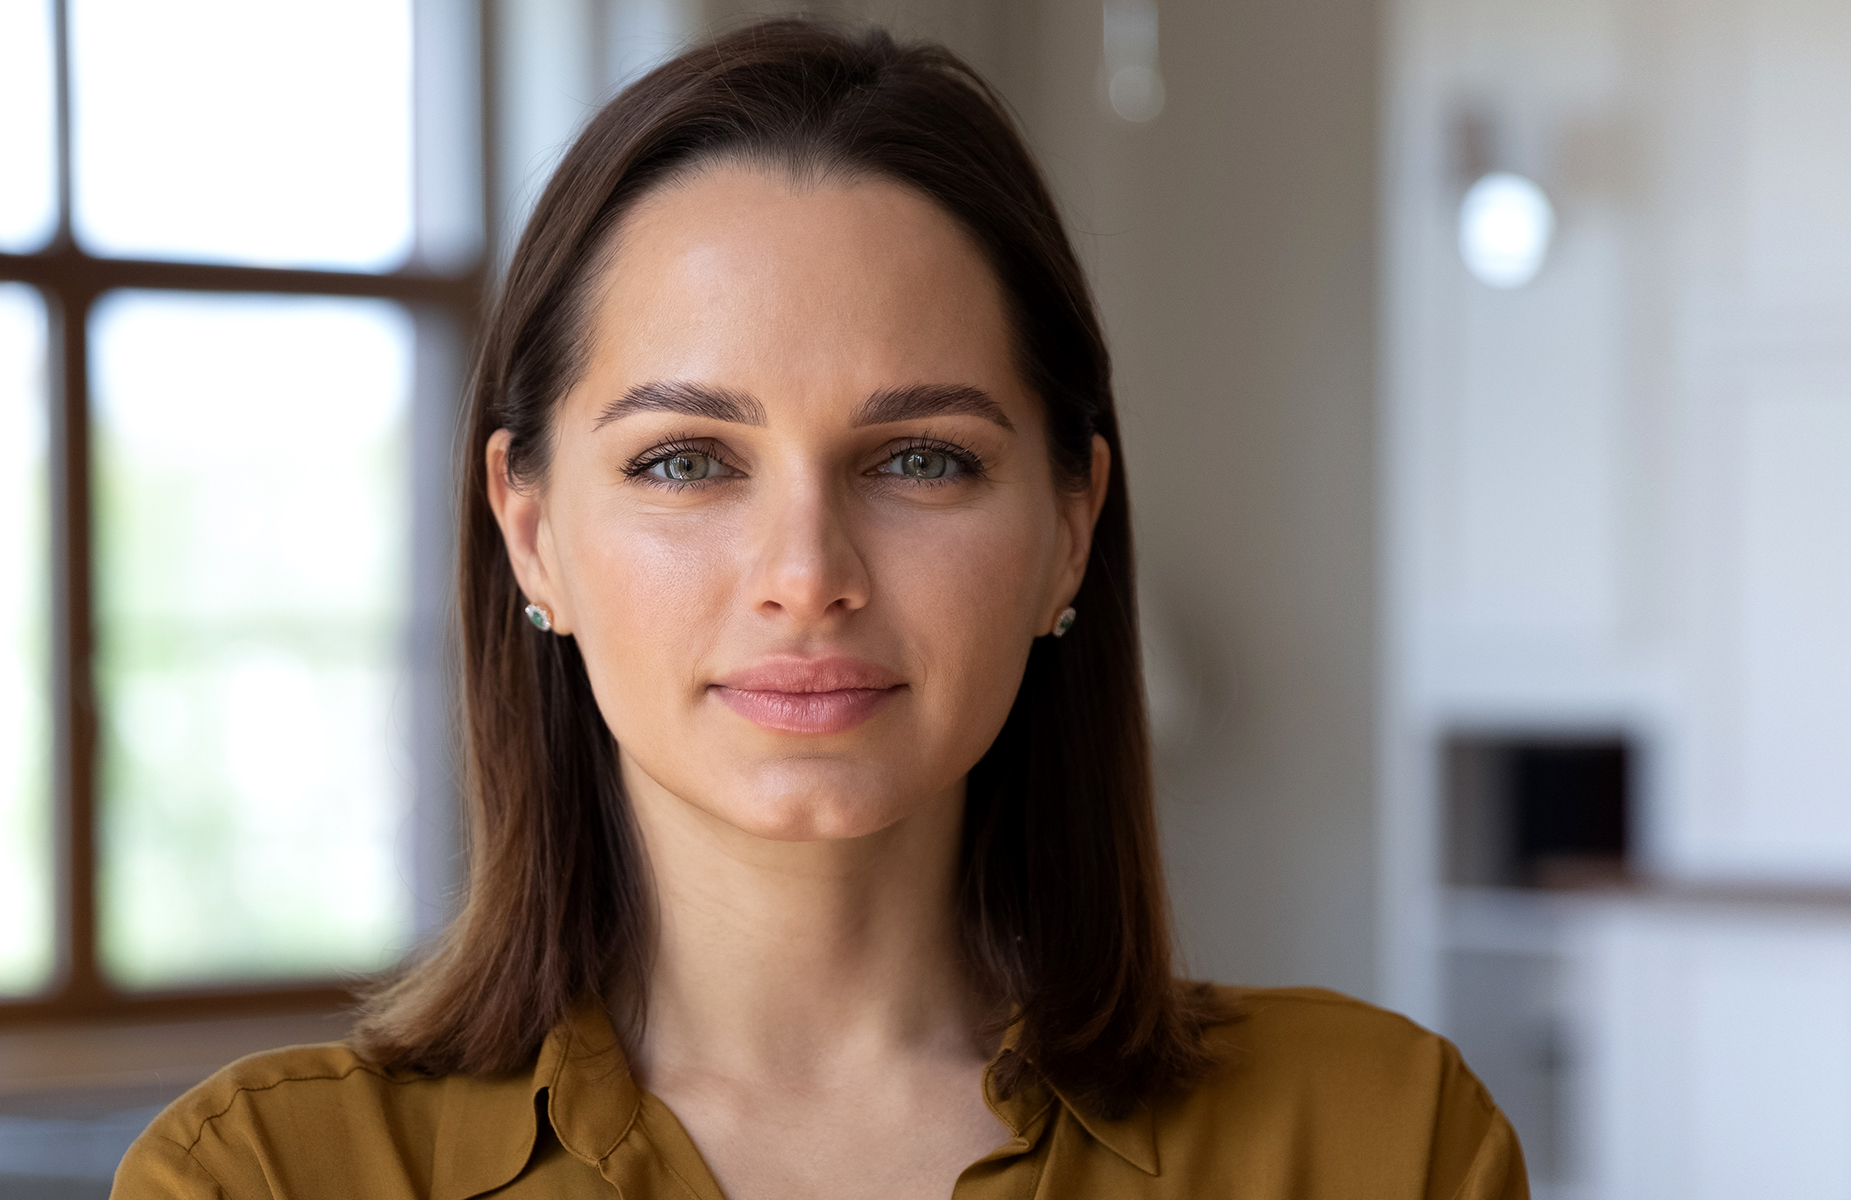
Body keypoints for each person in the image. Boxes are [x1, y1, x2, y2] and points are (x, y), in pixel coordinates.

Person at [112, 18, 1526, 1200]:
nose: (806, 571)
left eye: (922, 460)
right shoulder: (262, 1179)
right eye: (685, 462)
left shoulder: (1381, 1145)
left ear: (1070, 530)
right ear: (530, 532)